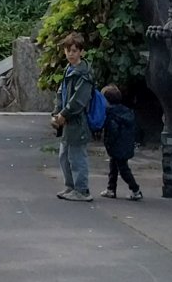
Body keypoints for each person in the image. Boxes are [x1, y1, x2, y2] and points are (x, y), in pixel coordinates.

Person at [51, 32, 96, 202]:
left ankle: (82, 189)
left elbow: (79, 100)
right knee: (65, 155)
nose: (71, 53)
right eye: (68, 50)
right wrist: (57, 113)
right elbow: (61, 93)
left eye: (74, 50)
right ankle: (70, 186)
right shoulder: (69, 70)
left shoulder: (84, 74)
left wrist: (63, 113)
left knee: (77, 156)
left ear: (81, 52)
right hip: (67, 121)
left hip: (77, 120)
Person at [99, 82, 142, 199]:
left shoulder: (111, 115)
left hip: (117, 146)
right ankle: (111, 188)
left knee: (122, 170)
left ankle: (135, 189)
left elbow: (113, 131)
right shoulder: (125, 112)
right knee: (114, 166)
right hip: (125, 145)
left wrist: (108, 142)